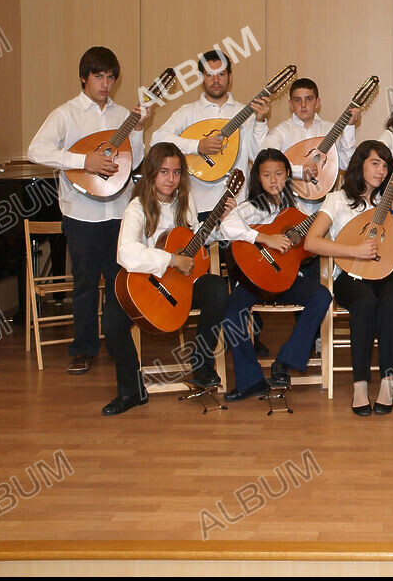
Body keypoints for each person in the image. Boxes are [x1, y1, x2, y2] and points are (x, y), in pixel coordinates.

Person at [27, 46, 148, 375]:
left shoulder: (122, 114)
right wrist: (84, 161)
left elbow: (133, 162)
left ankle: (117, 343)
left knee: (117, 283)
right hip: (81, 214)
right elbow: (37, 149)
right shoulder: (66, 114)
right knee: (84, 284)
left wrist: (137, 131)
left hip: (118, 213)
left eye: (110, 77)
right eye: (98, 77)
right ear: (84, 78)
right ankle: (83, 348)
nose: (105, 84)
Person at [101, 143, 233, 414]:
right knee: (112, 318)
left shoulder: (185, 202)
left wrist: (222, 223)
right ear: (150, 173)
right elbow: (125, 252)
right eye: (163, 172)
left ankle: (202, 365)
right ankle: (131, 390)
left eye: (176, 172)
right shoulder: (137, 208)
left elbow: (196, 237)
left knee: (218, 288)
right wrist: (171, 260)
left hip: (182, 284)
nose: (170, 179)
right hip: (145, 285)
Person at [304, 141, 393, 416]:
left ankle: (387, 381)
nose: (381, 170)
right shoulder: (337, 199)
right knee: (364, 301)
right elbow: (311, 242)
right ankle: (360, 383)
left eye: (386, 166)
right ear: (359, 163)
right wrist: (354, 251)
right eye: (375, 163)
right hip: (350, 275)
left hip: (388, 272)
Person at [218, 149, 333, 401]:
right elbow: (226, 227)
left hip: (286, 279)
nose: (273, 180)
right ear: (258, 178)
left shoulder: (299, 209)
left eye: (279, 174)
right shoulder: (251, 207)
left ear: (288, 175)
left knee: (322, 296)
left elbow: (316, 239)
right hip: (253, 280)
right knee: (231, 313)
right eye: (266, 174)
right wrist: (263, 236)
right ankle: (250, 381)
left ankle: (284, 361)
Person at [150, 49, 269, 217]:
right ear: (201, 77)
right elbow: (157, 140)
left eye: (221, 74)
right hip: (196, 206)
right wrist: (197, 146)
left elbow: (259, 157)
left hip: (236, 205)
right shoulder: (187, 113)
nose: (215, 80)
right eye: (209, 75)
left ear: (230, 76)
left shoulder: (246, 113)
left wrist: (260, 122)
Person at [261, 77, 359, 213]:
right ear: (290, 104)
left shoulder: (331, 130)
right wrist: (298, 171)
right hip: (291, 204)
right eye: (297, 100)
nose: (303, 105)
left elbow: (346, 164)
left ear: (317, 102)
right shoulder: (282, 131)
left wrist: (349, 127)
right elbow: (266, 156)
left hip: (325, 205)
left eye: (309, 99)